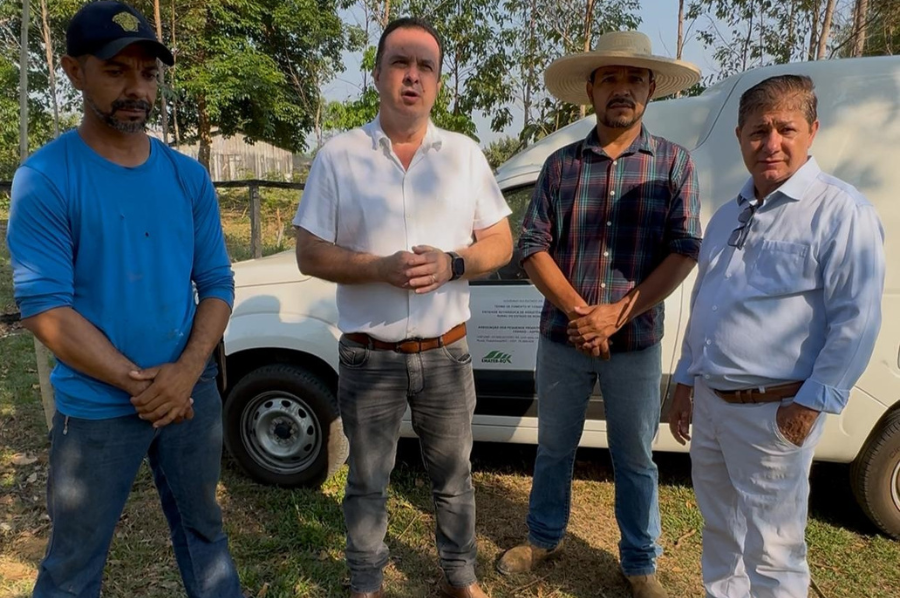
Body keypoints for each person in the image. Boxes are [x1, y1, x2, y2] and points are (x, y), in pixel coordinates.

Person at [6, 2, 242, 597]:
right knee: (73, 564)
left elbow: (217, 284)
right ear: (74, 70)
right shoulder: (47, 178)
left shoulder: (187, 177)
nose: (137, 88)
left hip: (190, 394)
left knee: (205, 533)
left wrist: (185, 374)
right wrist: (143, 384)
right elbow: (45, 309)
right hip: (97, 406)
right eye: (116, 71)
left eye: (148, 73)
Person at [292, 17, 513, 599]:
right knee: (368, 480)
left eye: (425, 67)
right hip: (370, 358)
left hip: (446, 355)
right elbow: (309, 252)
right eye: (400, 63)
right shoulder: (339, 156)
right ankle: (366, 582)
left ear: (437, 82)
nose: (412, 76)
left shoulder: (464, 156)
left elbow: (501, 242)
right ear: (377, 74)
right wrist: (377, 268)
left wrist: (454, 264)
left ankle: (460, 576)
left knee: (455, 477)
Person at [498, 31, 702, 598]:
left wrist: (617, 315)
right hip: (562, 339)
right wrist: (583, 314)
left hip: (636, 343)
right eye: (609, 77)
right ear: (590, 89)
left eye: (634, 78)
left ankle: (639, 562)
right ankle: (544, 537)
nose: (622, 88)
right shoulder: (560, 166)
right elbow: (531, 246)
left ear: (651, 88)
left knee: (635, 457)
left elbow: (685, 248)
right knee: (553, 448)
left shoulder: (674, 165)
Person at [668, 74, 885, 598]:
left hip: (775, 411)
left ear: (812, 131)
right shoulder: (727, 215)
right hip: (713, 406)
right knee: (721, 531)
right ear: (740, 137)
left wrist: (811, 403)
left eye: (785, 129)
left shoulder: (840, 211)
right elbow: (706, 304)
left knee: (773, 550)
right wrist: (686, 382)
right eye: (757, 131)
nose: (771, 143)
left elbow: (857, 320)